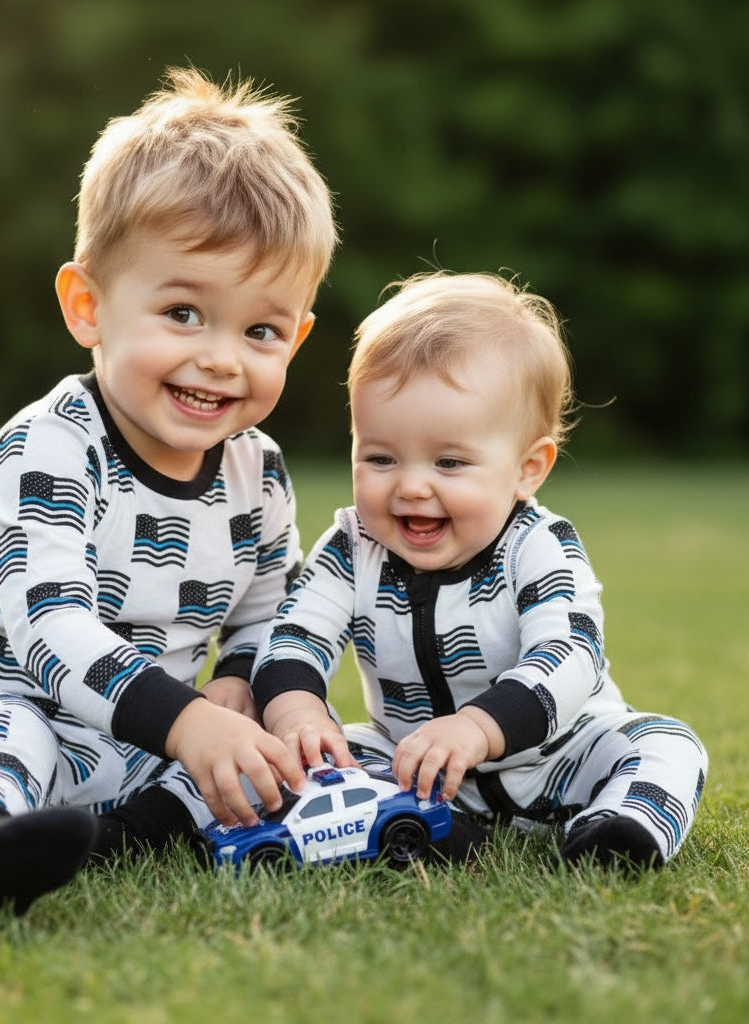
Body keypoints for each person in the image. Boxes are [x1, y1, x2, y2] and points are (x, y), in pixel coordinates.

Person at [0, 67, 338, 916]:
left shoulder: (256, 470)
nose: (222, 356)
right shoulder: (50, 447)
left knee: (268, 757)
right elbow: (52, 631)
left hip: (121, 737)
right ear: (88, 307)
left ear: (297, 339)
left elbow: (271, 608)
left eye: (261, 329)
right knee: (1, 738)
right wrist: (192, 722)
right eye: (184, 313)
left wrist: (239, 681)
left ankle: (115, 839)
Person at [251, 271, 708, 869]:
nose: (412, 486)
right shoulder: (352, 547)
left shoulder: (539, 546)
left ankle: (616, 830)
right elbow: (293, 636)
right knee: (303, 761)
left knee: (666, 742)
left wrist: (476, 728)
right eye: (381, 457)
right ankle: (438, 832)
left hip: (557, 757)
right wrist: (299, 715)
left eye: (449, 461)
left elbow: (568, 656)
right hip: (411, 761)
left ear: (527, 468)